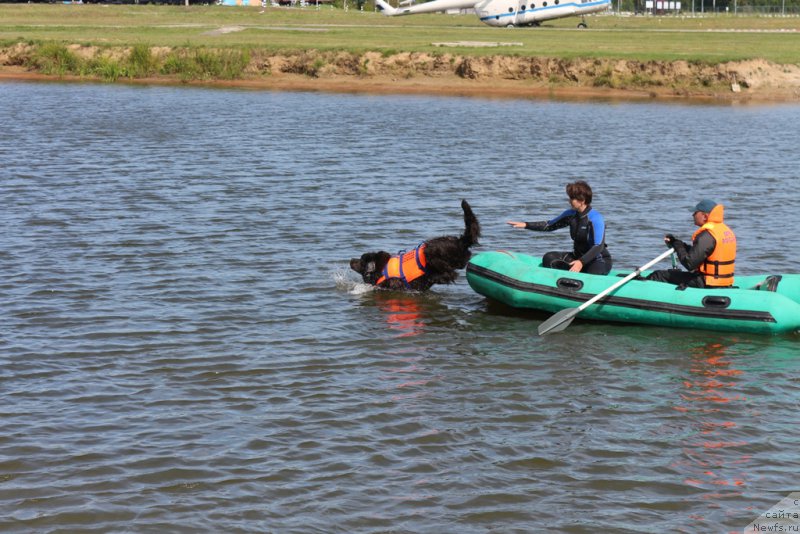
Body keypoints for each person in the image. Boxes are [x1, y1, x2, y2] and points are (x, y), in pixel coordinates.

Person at [507, 180, 612, 275]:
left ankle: (579, 273)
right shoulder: (570, 215)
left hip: (597, 260)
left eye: (572, 198)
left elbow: (598, 246)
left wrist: (581, 262)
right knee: (549, 258)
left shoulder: (595, 218)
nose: (569, 201)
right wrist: (526, 225)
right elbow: (550, 225)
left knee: (592, 272)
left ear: (582, 200)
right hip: (577, 257)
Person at [646, 199, 736, 288]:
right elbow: (702, 254)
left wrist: (679, 247)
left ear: (705, 216)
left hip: (708, 282)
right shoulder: (724, 230)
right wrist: (678, 243)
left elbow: (689, 264)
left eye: (696, 212)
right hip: (723, 281)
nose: (693, 215)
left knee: (658, 275)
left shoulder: (707, 235)